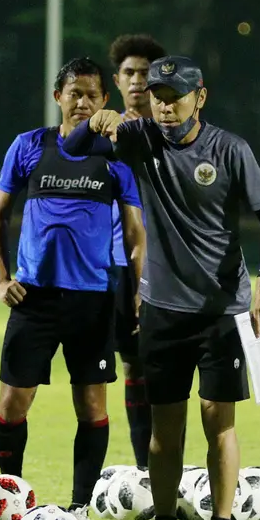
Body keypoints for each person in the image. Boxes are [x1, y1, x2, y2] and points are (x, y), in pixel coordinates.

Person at [65, 55, 260, 520]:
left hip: (221, 311)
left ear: (199, 97)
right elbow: (74, 149)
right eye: (157, 97)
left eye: (174, 97)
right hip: (162, 308)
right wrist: (95, 122)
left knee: (219, 422)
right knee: (165, 429)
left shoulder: (229, 149)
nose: (164, 106)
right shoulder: (138, 138)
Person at [0, 57, 144, 520]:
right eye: (74, 92)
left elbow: (136, 234)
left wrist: (135, 293)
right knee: (12, 405)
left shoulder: (115, 158)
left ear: (104, 103)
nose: (82, 102)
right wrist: (0, 277)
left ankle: (79, 508)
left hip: (92, 300)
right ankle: (14, 497)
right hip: (32, 299)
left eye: (92, 95)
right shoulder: (29, 146)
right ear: (58, 96)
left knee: (92, 407)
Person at [107, 34, 165, 467]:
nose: (137, 81)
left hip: (164, 264)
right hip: (112, 263)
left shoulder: (172, 136)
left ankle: (162, 466)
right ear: (117, 79)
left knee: (161, 369)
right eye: (129, 73)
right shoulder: (106, 136)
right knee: (128, 366)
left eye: (146, 73)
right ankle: (143, 470)